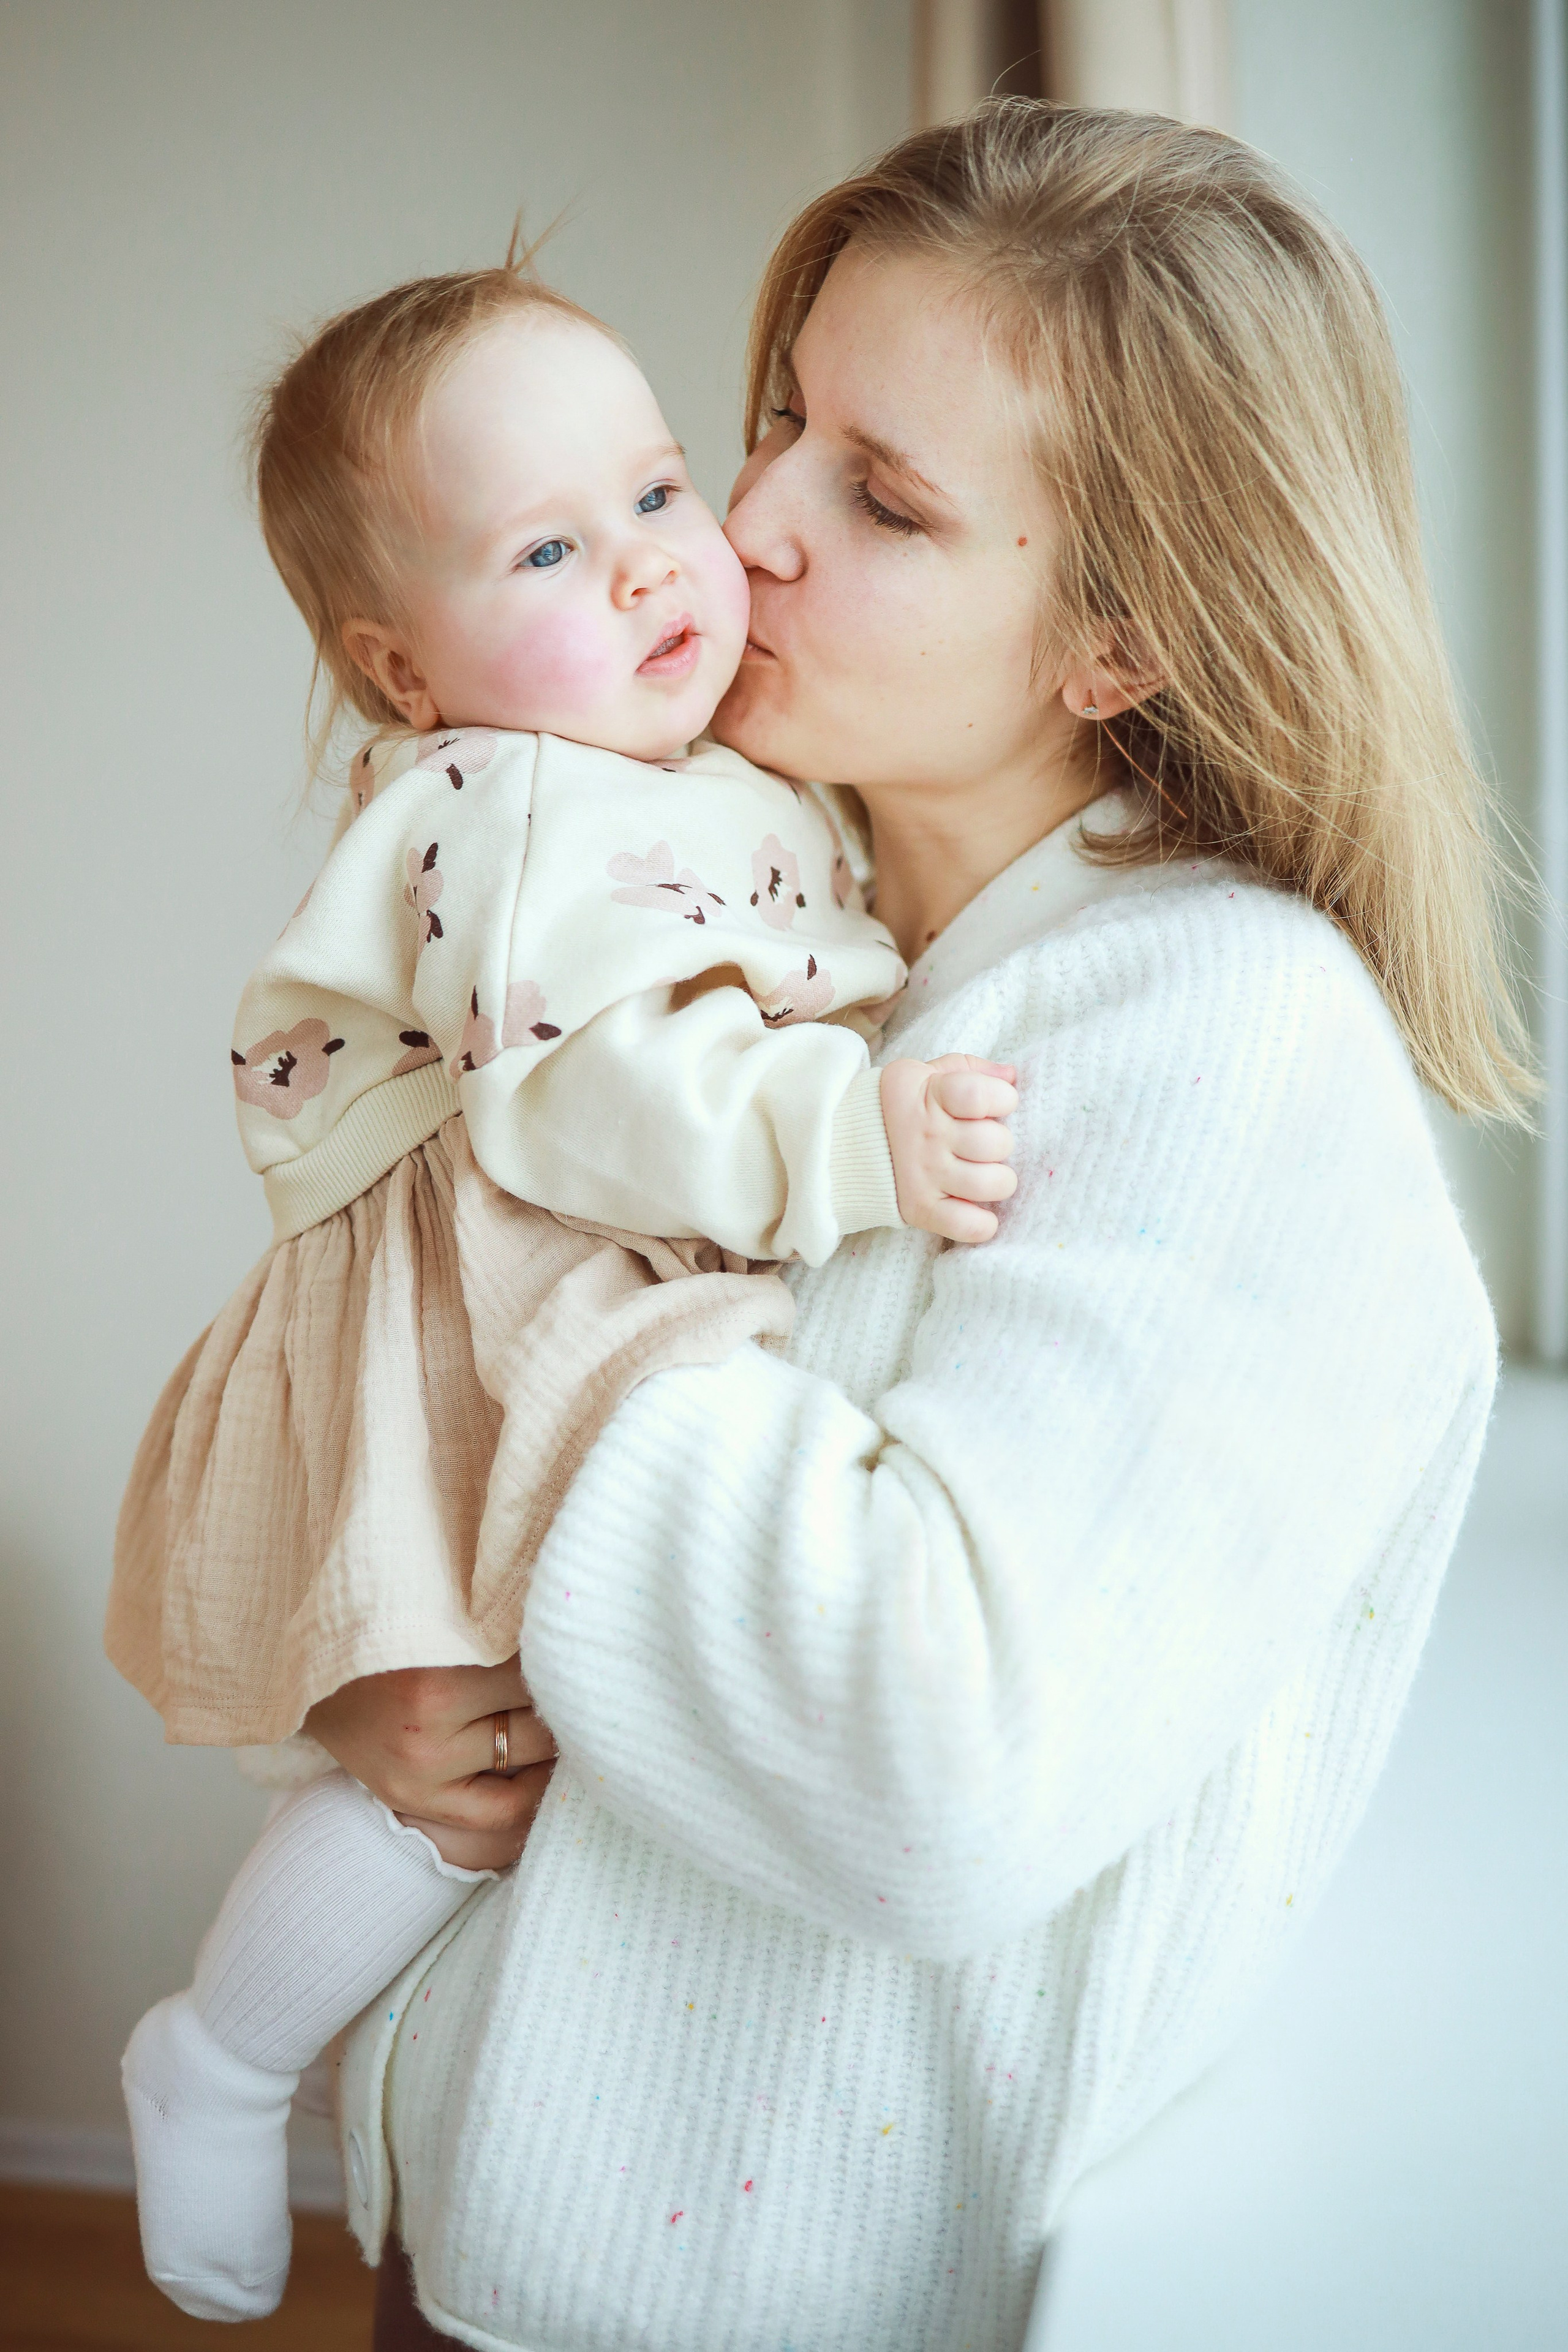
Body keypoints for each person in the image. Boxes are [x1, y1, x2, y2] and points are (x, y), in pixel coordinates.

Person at [308, 100, 1527, 2352]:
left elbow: (929, 1764)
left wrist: (516, 1282)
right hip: (499, 2235)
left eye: (883, 498)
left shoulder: (1227, 1040)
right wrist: (413, 1688)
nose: (744, 522)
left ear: (1119, 646)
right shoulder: (809, 966)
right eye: (782, 419)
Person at [106, 265, 1019, 2321]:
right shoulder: (512, 806)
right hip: (479, 1301)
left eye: (658, 491)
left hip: (572, 1273)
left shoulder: (691, 775)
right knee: (472, 1768)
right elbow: (585, 1087)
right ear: (402, 668)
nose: (647, 564)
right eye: (544, 549)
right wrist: (848, 1135)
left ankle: (249, 2057)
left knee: (489, 1771)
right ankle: (225, 2054)